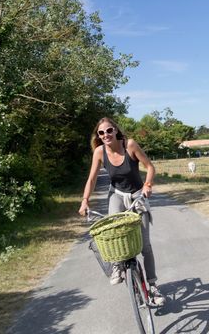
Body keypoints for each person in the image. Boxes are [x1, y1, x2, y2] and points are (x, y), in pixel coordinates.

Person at [78, 117, 165, 306]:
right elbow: (92, 179)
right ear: (98, 136)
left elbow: (150, 167)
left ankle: (153, 286)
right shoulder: (99, 152)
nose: (105, 135)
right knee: (111, 231)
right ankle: (117, 266)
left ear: (116, 131)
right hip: (117, 195)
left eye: (109, 131)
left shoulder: (130, 145)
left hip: (137, 195)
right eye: (101, 133)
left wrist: (148, 184)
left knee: (145, 246)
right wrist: (85, 201)